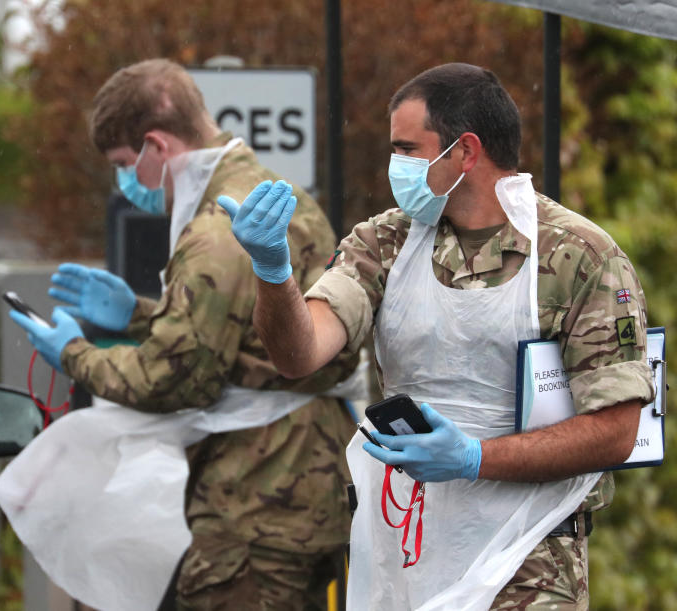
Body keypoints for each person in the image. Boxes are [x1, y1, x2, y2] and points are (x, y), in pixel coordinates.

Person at [218, 62, 656, 609]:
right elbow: (300, 352)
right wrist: (272, 272)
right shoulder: (385, 242)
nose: (394, 166)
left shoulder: (578, 256)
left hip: (527, 557)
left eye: (407, 149)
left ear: (465, 152)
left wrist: (474, 457)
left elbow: (616, 430)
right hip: (406, 546)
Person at [7, 58, 362, 610]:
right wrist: (139, 315)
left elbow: (175, 379)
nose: (128, 186)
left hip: (255, 504)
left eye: (126, 165)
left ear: (157, 145)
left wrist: (74, 354)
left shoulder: (213, 233)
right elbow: (251, 338)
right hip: (308, 485)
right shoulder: (276, 193)